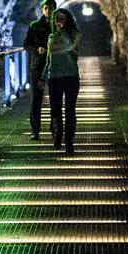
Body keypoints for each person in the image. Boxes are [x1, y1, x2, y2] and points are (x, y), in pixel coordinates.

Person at [40, 8, 81, 154]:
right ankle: (58, 134)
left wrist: (62, 33)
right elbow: (49, 59)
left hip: (70, 76)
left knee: (70, 110)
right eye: (57, 18)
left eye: (62, 19)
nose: (59, 21)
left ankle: (69, 141)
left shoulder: (74, 35)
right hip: (54, 77)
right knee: (55, 110)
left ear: (68, 20)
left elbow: (70, 45)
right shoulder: (51, 37)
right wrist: (43, 77)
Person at [22, 0, 57, 140]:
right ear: (42, 9)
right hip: (38, 67)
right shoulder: (35, 25)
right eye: (46, 8)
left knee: (55, 98)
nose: (48, 11)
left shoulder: (58, 25)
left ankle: (54, 128)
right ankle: (35, 130)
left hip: (55, 67)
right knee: (36, 98)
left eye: (51, 8)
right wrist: (37, 49)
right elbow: (26, 44)